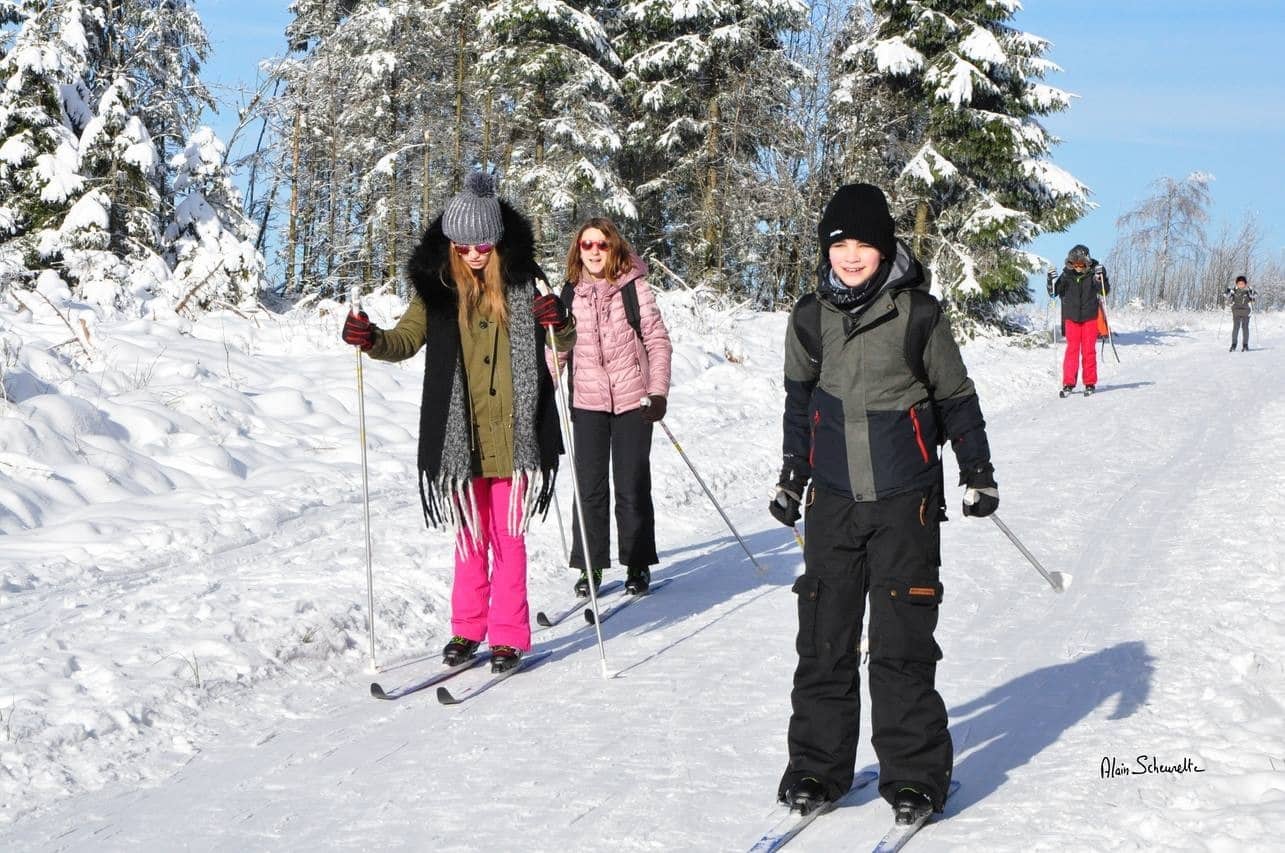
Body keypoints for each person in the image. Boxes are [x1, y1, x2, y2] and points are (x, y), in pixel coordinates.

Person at [768, 183, 998, 827]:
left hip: (906, 505)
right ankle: (817, 767)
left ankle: (915, 775)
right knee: (824, 640)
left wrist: (977, 471)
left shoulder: (919, 315)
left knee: (901, 644)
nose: (851, 255)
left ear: (885, 247)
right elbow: (800, 405)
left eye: (864, 244)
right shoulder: (809, 318)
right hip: (833, 503)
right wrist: (792, 476)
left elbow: (956, 398)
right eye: (839, 243)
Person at [340, 171, 574, 674]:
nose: (472, 254)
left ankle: (507, 636)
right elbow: (404, 340)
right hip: (459, 440)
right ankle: (468, 629)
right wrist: (370, 338)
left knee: (509, 539)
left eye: (482, 245)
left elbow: (564, 340)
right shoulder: (437, 290)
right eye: (462, 246)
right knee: (470, 538)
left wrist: (559, 320)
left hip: (517, 435)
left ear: (497, 241)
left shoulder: (525, 283)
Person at [552, 217, 673, 598]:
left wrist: (658, 393)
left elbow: (657, 341)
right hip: (587, 402)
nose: (594, 252)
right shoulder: (569, 293)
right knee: (589, 488)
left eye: (601, 244)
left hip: (633, 401)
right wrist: (543, 390)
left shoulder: (633, 287)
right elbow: (557, 351)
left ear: (613, 247)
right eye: (586, 245)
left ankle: (637, 562)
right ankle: (590, 566)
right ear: (578, 250)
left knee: (631, 484)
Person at [1047, 245, 1110, 397]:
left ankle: (1090, 382)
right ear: (1071, 263)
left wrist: (1102, 277)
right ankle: (1068, 383)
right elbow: (1053, 293)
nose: (1078, 268)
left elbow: (1104, 291)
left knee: (1088, 350)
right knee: (1072, 351)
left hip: (1089, 317)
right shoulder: (1066, 275)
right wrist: (1051, 280)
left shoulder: (1093, 273)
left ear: (1087, 262)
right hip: (1072, 318)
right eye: (1075, 264)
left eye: (1081, 264)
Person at [1225, 275, 1255, 351]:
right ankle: (1233, 344)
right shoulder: (1233, 291)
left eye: (1242, 283)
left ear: (1245, 284)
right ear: (1237, 284)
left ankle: (1245, 345)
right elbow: (1227, 297)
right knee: (1235, 328)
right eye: (1239, 283)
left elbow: (1254, 298)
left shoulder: (1248, 291)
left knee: (1245, 328)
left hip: (1246, 312)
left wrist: (1252, 293)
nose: (1241, 285)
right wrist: (1227, 292)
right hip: (1236, 312)